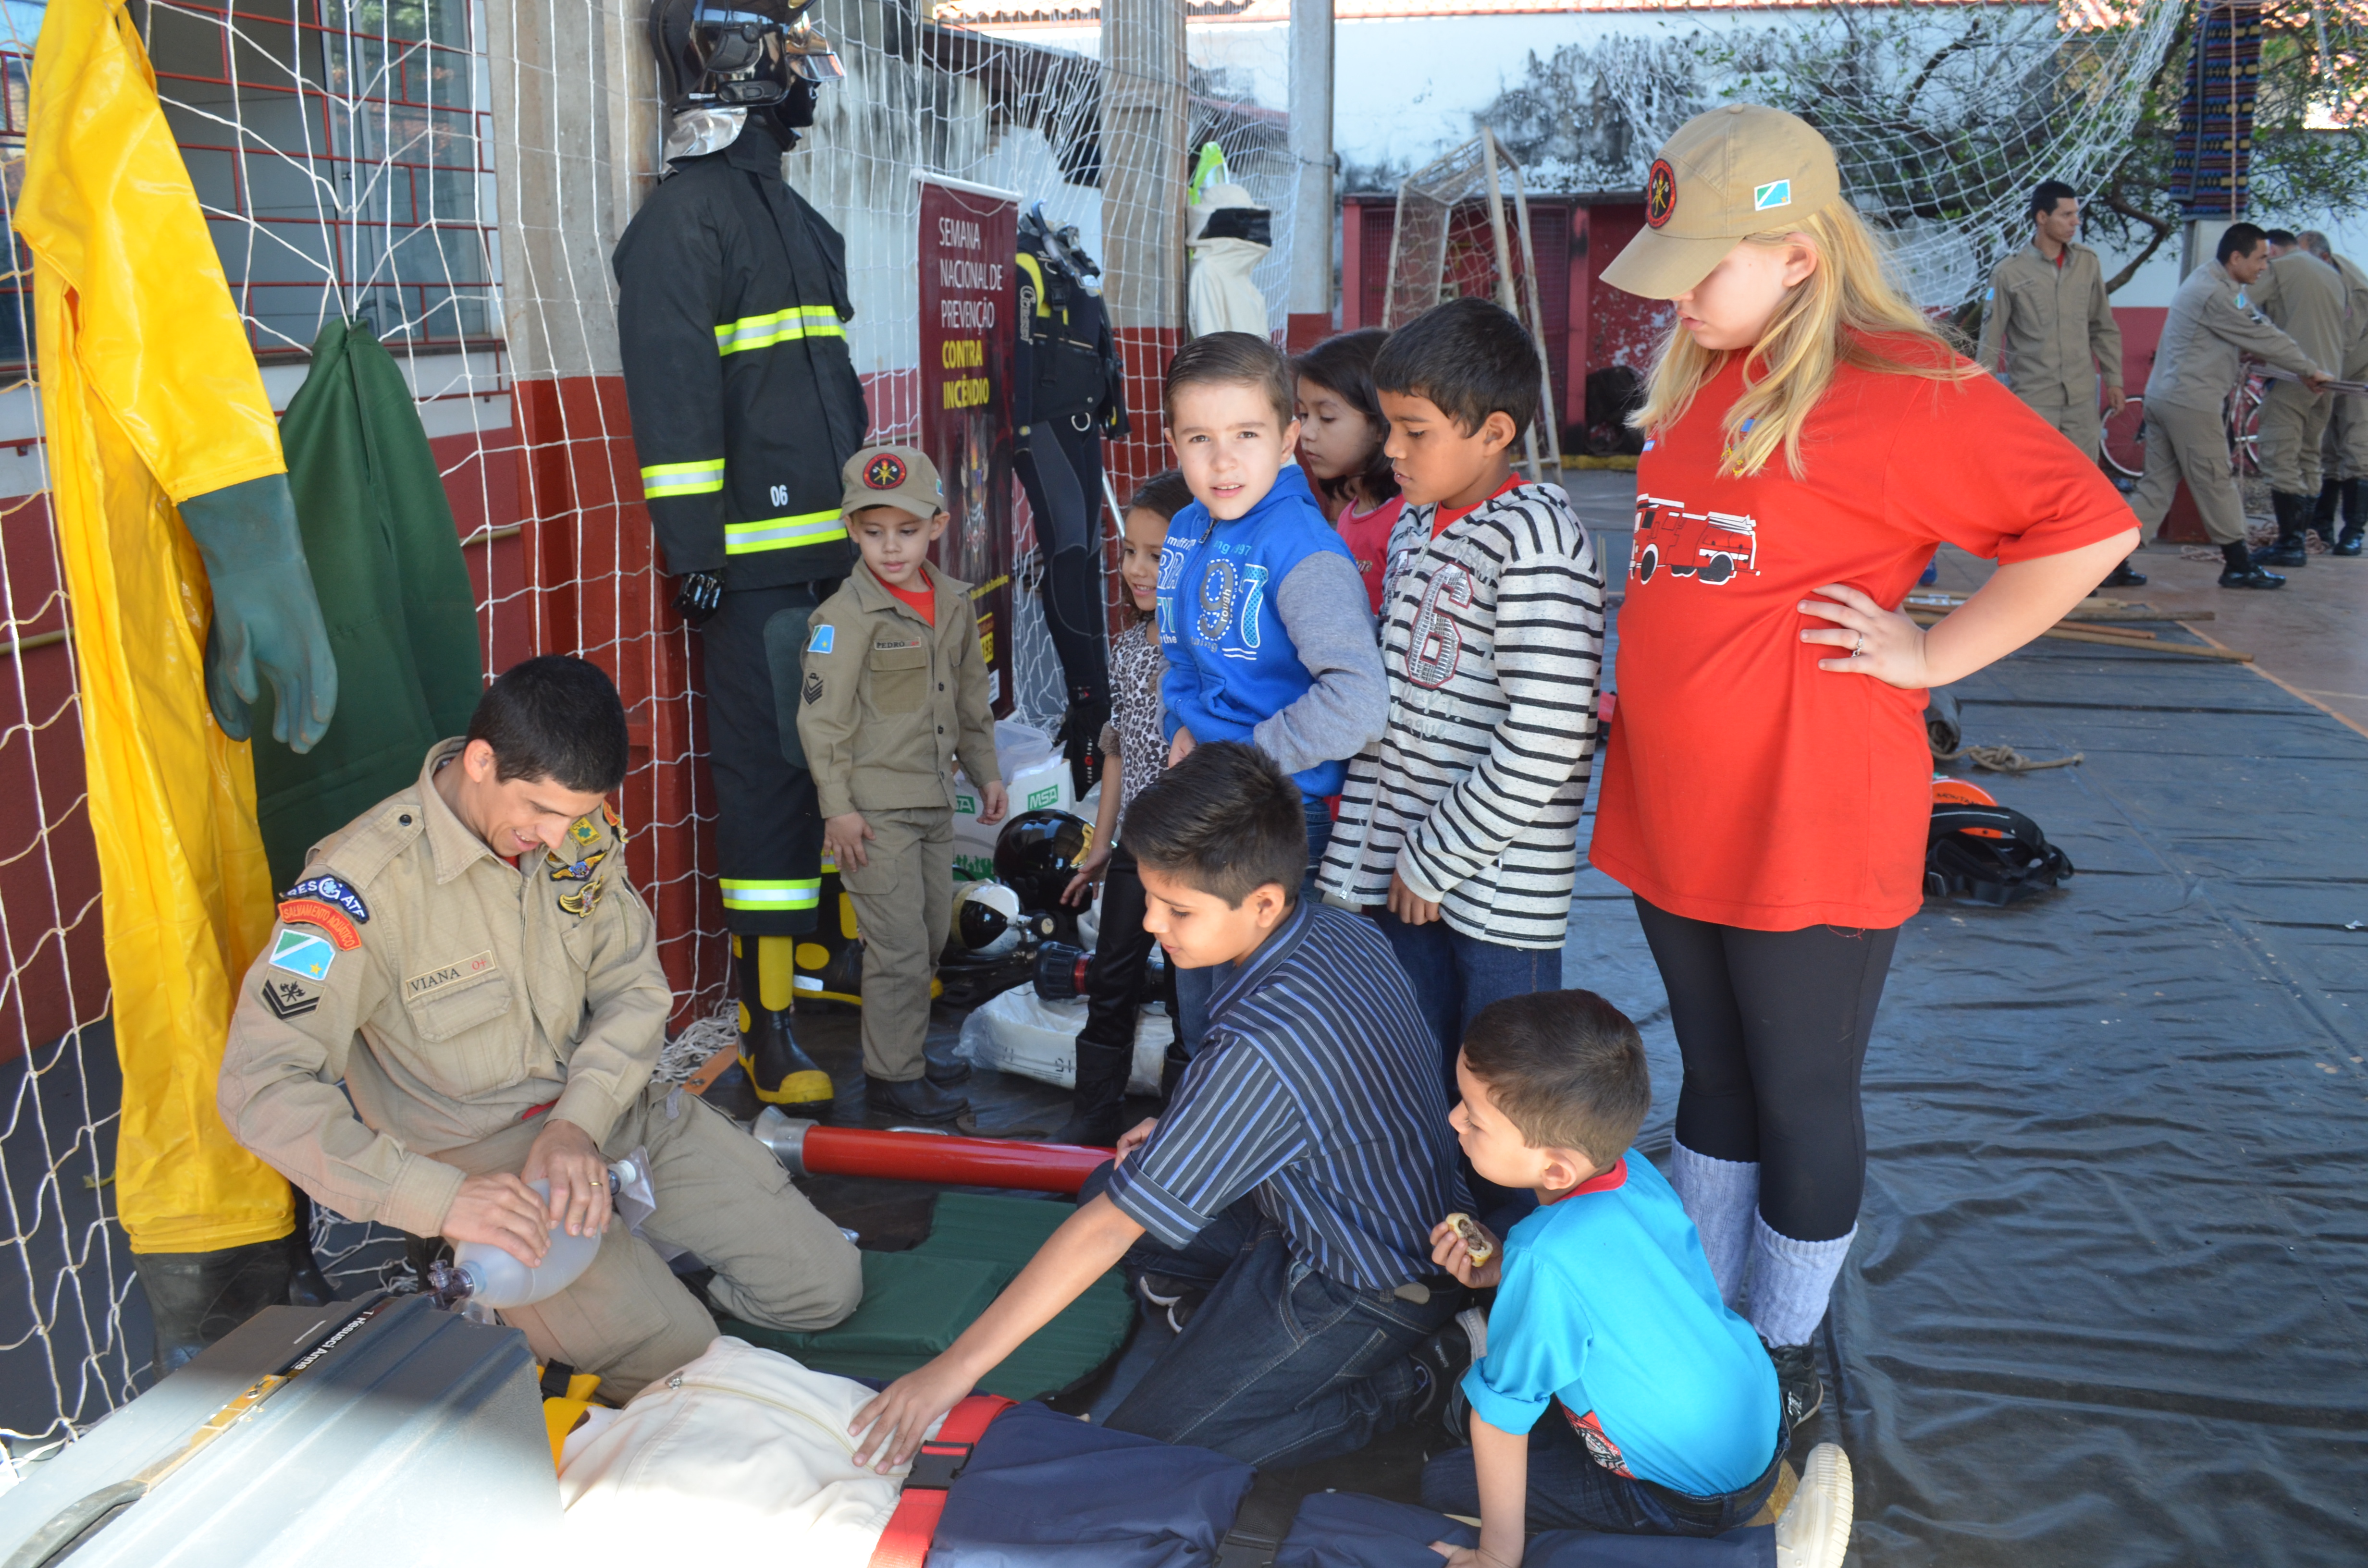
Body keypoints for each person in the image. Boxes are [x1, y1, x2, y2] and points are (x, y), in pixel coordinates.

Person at [1591, 104, 2140, 1425]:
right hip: (1677, 801)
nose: (1678, 298)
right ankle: (1711, 1319)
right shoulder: (1705, 366)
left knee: (1799, 1091)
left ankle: (1779, 1353)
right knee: (1714, 1078)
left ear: (1800, 255)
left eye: (1705, 267)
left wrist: (1933, 653)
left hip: (1810, 807)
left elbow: (2089, 526)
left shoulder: (1902, 385)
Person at [218, 656, 863, 1398]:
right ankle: (557, 1300)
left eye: (576, 816)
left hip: (609, 1112)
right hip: (489, 1168)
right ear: (481, 761)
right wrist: (441, 1200)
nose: (557, 838)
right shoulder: (357, 893)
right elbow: (259, 1089)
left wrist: (576, 1126)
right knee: (683, 1371)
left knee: (825, 1290)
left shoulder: (576, 834)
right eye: (541, 812)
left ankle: (630, 1267)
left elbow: (633, 989)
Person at [848, 743, 1466, 1471]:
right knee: (1106, 1185)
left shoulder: (1262, 1045)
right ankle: (1239, 1316)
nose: (1150, 924)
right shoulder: (1340, 932)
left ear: (1263, 903)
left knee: (1152, 1450)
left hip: (1369, 1278)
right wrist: (1184, 1128)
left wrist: (949, 1372)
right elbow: (1320, 1095)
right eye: (1149, 898)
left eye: (1178, 909)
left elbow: (1111, 1229)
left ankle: (1418, 1379)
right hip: (1362, 1209)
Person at [614, 0, 864, 1113]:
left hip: (837, 565)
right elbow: (673, 401)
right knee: (767, 781)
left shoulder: (793, 215)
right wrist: (696, 548)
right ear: (732, 60)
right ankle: (767, 1022)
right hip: (755, 576)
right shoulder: (683, 222)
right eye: (792, 51)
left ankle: (824, 956)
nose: (808, 73)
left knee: (841, 762)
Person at [1419, 991, 1850, 1560]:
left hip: (1685, 1500)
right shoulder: (1633, 1171)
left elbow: (1500, 1422)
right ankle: (1759, 1506)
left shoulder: (1542, 1254)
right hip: (1756, 1423)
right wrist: (1504, 1271)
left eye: (1474, 1119)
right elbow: (1611, 1285)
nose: (1454, 1119)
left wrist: (1497, 1556)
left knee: (1445, 1481)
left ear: (1555, 1169)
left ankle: (1758, 1555)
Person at [1317, 297, 1603, 1105]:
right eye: (1389, 427)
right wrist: (1366, 861)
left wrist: (1433, 857)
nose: (1392, 449)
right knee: (1417, 1079)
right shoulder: (1416, 525)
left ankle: (1491, 1199)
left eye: (1415, 431)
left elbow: (1547, 735)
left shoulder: (1535, 542)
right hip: (1404, 876)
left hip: (1493, 897)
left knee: (1503, 1099)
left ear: (1494, 432)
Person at [1157, 332, 1389, 1057]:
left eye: (1247, 435)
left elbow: (1358, 702)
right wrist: (1178, 728)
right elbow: (1181, 659)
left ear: (1288, 438)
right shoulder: (1188, 528)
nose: (1223, 461)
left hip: (1279, 815)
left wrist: (1241, 758)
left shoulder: (1302, 550)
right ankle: (1206, 1126)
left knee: (1263, 1029)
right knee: (1201, 1015)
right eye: (1200, 438)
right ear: (1173, 442)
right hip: (1208, 799)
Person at [798, 446, 1006, 1123]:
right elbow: (821, 723)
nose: (891, 547)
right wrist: (838, 810)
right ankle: (893, 1078)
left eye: (907, 530)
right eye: (874, 531)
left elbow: (970, 698)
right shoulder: (844, 618)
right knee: (898, 949)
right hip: (874, 813)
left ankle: (906, 1051)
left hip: (933, 802)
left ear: (937, 526)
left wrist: (987, 771)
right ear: (851, 530)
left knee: (930, 936)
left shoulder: (951, 602)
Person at [1054, 469, 1196, 1145]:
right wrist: (1100, 844)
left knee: (1188, 993)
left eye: (1157, 556)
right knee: (1112, 976)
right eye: (1130, 552)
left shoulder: (1201, 655)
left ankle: (1181, 1124)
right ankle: (1092, 1118)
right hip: (1134, 850)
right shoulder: (1129, 647)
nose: (1137, 569)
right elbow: (1117, 751)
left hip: (1189, 852)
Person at [2126, 221, 2331, 588]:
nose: (2265, 267)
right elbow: (2262, 334)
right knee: (2217, 481)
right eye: (2260, 259)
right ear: (2236, 258)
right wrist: (2309, 369)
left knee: (2155, 488)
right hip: (2192, 403)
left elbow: (2245, 329)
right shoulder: (2217, 293)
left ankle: (2108, 560)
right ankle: (2239, 565)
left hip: (2166, 397)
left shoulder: (2211, 280)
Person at [1975, 179, 2141, 589]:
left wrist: (2115, 379)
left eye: (2076, 214)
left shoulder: (2087, 263)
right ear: (2042, 218)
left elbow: (2103, 326)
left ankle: (2100, 566)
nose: (2074, 222)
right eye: (2066, 215)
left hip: (2081, 397)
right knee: (2036, 489)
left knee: (2088, 484)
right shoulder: (2009, 273)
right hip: (2036, 400)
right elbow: (1990, 339)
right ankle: (2034, 570)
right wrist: (1980, 398)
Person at [2245, 230, 2349, 568]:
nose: (2262, 265)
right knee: (2308, 458)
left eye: (2263, 258)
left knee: (2280, 458)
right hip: (2328, 378)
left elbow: (2238, 304)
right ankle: (2301, 538)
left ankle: (2290, 544)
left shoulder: (2280, 268)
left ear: (2273, 251)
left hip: (2293, 377)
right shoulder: (2331, 274)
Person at [1295, 328, 1404, 612]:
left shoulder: (1409, 521)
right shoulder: (1349, 516)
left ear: (1381, 424)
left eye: (1327, 417)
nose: (1306, 432)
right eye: (1304, 414)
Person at [2292, 229, 2368, 555]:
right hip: (2326, 371)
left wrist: (2311, 370)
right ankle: (2322, 526)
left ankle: (2354, 530)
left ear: (2324, 259)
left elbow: (2346, 341)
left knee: (2356, 448)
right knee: (2327, 452)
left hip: (2356, 372)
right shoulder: (2315, 279)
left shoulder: (2355, 288)